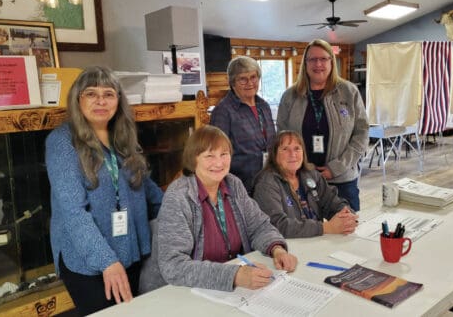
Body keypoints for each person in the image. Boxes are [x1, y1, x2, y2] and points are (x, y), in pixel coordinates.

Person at [45, 66, 163, 315]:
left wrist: (183, 207)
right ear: (78, 99)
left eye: (109, 94)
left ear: (118, 101)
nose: (101, 101)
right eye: (91, 93)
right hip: (88, 263)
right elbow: (73, 212)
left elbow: (146, 188)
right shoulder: (62, 142)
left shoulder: (123, 137)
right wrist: (106, 261)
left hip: (131, 252)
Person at [139, 125, 297, 293]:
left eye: (224, 154)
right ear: (193, 160)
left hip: (223, 291)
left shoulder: (233, 184)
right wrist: (234, 276)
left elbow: (259, 226)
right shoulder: (178, 196)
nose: (219, 163)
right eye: (209, 156)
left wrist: (277, 249)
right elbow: (174, 266)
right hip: (174, 294)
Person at [278, 39, 369, 211]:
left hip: (342, 181)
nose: (318, 64)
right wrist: (297, 168)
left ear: (331, 62)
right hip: (301, 180)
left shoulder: (349, 92)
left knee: (346, 230)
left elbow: (361, 133)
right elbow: (281, 137)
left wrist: (336, 168)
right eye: (312, 59)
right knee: (307, 231)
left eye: (323, 59)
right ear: (305, 63)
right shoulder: (290, 96)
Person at [253, 130, 358, 238]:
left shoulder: (312, 175)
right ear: (274, 155)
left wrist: (346, 215)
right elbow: (278, 225)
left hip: (316, 241)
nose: (292, 154)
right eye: (285, 149)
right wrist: (325, 228)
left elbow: (331, 201)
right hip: (286, 246)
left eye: (297, 148)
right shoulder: (266, 184)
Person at [210, 56, 275, 193]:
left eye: (253, 77)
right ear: (233, 82)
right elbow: (216, 153)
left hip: (268, 181)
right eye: (243, 79)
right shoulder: (223, 111)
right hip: (240, 186)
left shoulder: (264, 106)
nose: (250, 83)